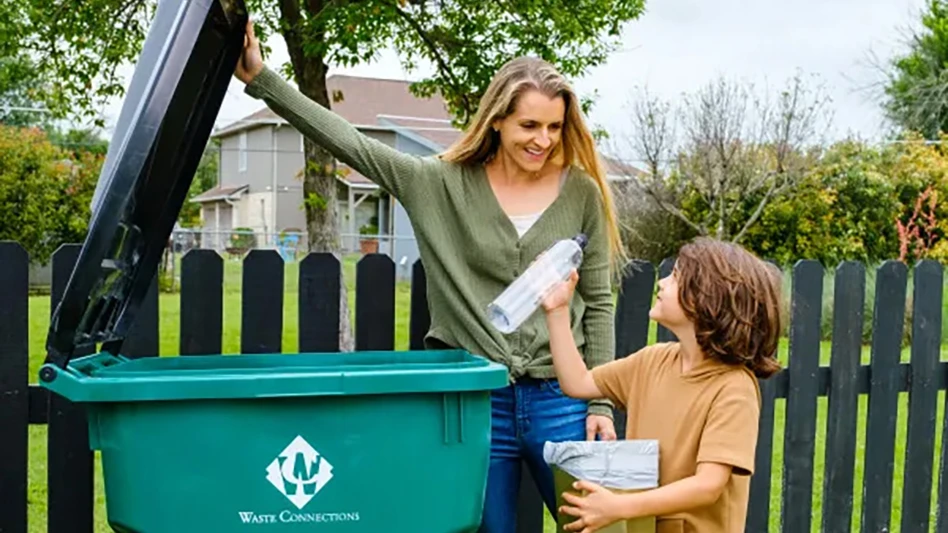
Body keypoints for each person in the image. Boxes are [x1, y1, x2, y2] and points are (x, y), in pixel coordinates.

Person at [234, 20, 625, 532]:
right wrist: (261, 78)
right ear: (498, 122)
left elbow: (598, 301)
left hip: (563, 401)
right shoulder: (437, 184)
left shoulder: (581, 193)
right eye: (530, 126)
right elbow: (353, 143)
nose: (544, 140)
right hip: (475, 404)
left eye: (554, 127)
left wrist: (599, 401)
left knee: (601, 527)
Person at [539, 237, 782, 533]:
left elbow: (708, 485)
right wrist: (557, 311)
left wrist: (618, 507)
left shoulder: (733, 388)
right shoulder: (653, 361)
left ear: (708, 299)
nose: (663, 282)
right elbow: (578, 382)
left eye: (676, 276)